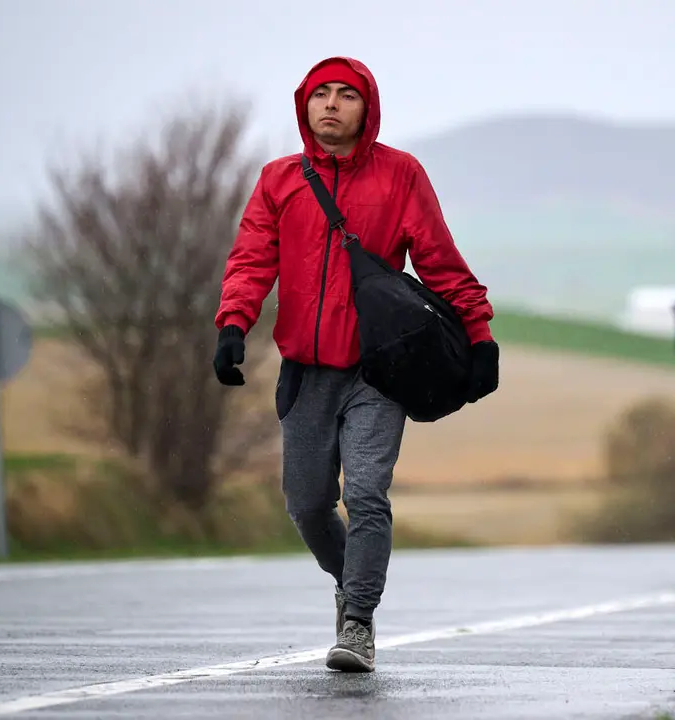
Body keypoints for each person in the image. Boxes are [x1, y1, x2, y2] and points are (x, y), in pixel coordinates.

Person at [212, 57, 498, 673]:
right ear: (305, 105)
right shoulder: (279, 180)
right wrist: (233, 323)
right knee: (308, 504)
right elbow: (252, 258)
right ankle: (350, 585)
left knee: (367, 493)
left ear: (367, 109)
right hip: (306, 370)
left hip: (379, 371)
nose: (332, 104)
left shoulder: (400, 175)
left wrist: (479, 336)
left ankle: (359, 623)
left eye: (347, 94)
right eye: (321, 94)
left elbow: (439, 260)